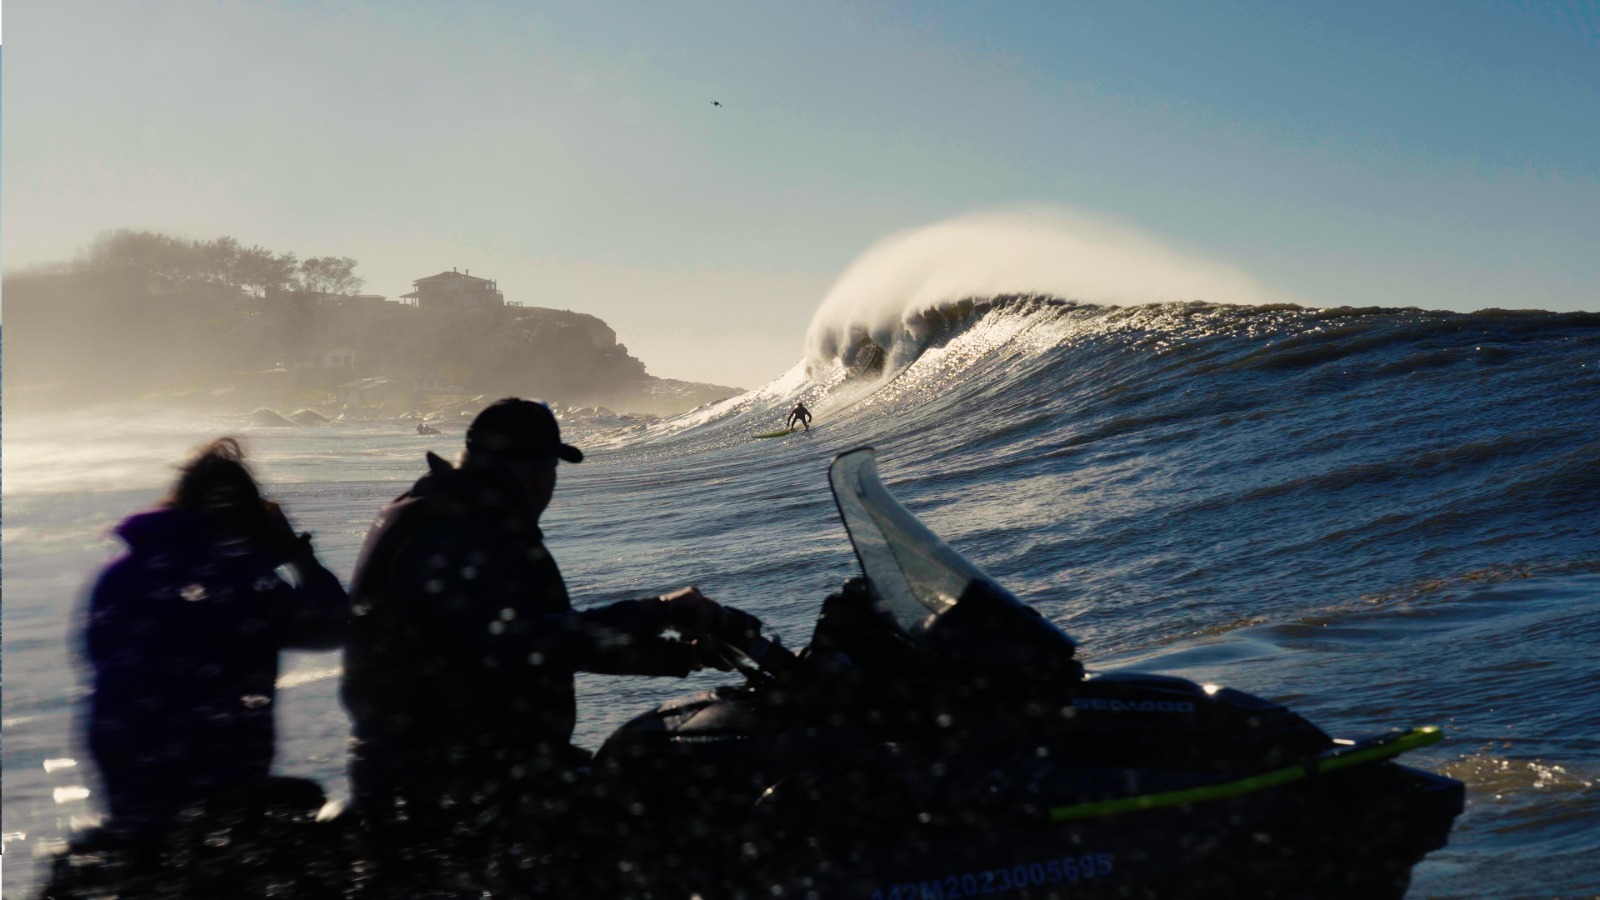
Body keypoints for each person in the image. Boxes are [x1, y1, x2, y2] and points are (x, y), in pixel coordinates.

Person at [340, 398, 729, 859]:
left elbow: (540, 641)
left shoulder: (440, 512)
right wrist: (660, 612)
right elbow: (524, 647)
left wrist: (682, 656)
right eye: (552, 473)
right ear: (538, 474)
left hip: (451, 770)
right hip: (448, 786)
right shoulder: (459, 531)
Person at [82, 437, 349, 830]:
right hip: (214, 794)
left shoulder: (120, 575)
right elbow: (333, 626)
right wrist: (295, 552)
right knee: (326, 814)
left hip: (130, 794)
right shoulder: (235, 577)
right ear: (246, 514)